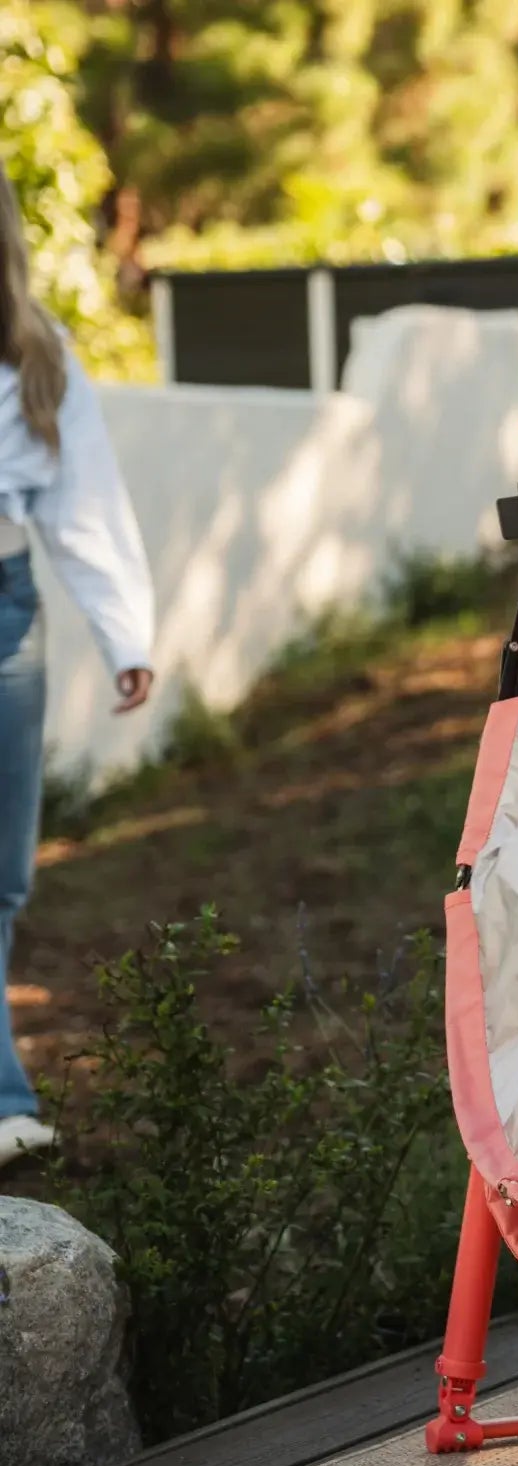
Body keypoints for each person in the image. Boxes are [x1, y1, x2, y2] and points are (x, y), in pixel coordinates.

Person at [0, 170, 155, 1169]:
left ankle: (2, 1101)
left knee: (4, 877)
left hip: (8, 616)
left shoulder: (36, 351)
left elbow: (84, 501)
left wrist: (125, 634)